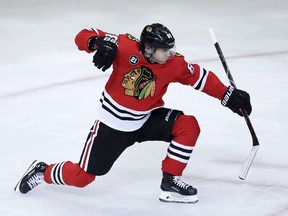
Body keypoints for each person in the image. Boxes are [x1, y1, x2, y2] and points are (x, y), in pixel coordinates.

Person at [15, 23, 252, 203]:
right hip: (112, 127)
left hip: (145, 120)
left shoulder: (174, 64)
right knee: (82, 178)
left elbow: (201, 77)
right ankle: (42, 170)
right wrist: (99, 43)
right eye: (165, 50)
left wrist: (227, 95)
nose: (171, 53)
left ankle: (169, 181)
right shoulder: (124, 45)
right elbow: (82, 34)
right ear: (148, 48)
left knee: (188, 125)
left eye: (172, 48)